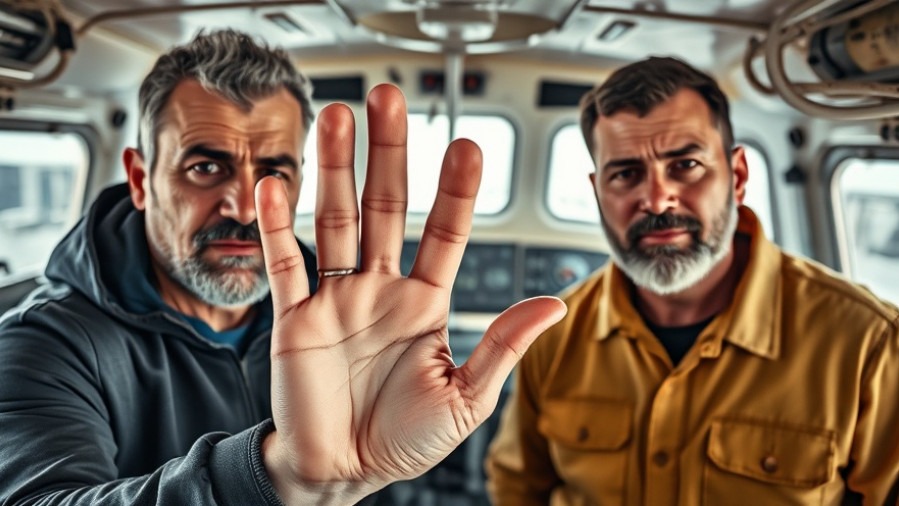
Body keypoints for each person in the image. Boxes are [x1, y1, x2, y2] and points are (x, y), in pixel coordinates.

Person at [0, 30, 566, 505]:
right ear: (142, 178)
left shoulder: (344, 311)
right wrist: (277, 477)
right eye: (204, 167)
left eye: (273, 171)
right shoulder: (43, 344)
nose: (244, 207)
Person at [485, 56, 899, 505]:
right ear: (598, 193)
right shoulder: (553, 336)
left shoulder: (868, 345)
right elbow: (518, 488)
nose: (657, 200)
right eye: (625, 174)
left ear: (737, 177)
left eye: (685, 165)